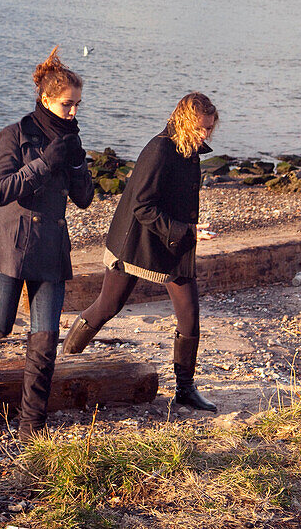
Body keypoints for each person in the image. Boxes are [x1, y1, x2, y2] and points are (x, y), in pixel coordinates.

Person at [0, 48, 95, 440]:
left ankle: (31, 425)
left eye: (78, 106)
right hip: (11, 246)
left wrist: (79, 164)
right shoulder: (14, 134)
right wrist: (46, 163)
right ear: (46, 99)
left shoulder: (71, 139)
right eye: (68, 105)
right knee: (0, 323)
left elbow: (84, 199)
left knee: (45, 339)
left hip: (51, 247)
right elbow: (0, 191)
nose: (73, 113)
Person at [61, 92, 218, 413]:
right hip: (136, 243)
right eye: (201, 128)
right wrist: (188, 231)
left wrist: (191, 231)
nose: (205, 135)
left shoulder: (189, 150)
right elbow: (141, 206)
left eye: (210, 129)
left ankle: (185, 390)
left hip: (173, 245)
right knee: (108, 305)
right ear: (185, 121)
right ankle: (64, 362)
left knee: (190, 316)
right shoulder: (160, 149)